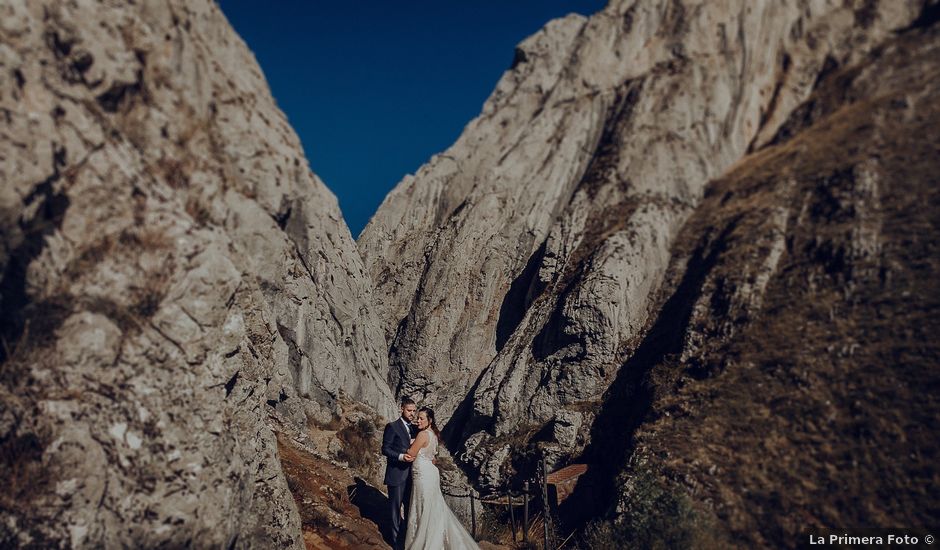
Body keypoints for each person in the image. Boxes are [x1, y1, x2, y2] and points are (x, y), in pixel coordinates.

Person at [404, 407, 479, 550]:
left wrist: (409, 442)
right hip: (430, 473)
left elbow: (411, 453)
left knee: (422, 506)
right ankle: (433, 538)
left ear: (429, 420)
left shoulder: (422, 435)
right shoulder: (433, 434)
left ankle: (425, 542)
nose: (418, 420)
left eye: (421, 418)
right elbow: (433, 458)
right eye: (417, 418)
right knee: (432, 507)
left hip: (423, 474)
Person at [382, 397, 418, 548]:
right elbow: (385, 449)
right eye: (409, 410)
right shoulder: (392, 427)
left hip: (412, 477)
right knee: (395, 510)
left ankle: (408, 540)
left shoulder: (416, 428)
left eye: (414, 411)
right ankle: (396, 544)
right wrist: (402, 457)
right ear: (401, 409)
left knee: (410, 510)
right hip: (396, 475)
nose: (412, 414)